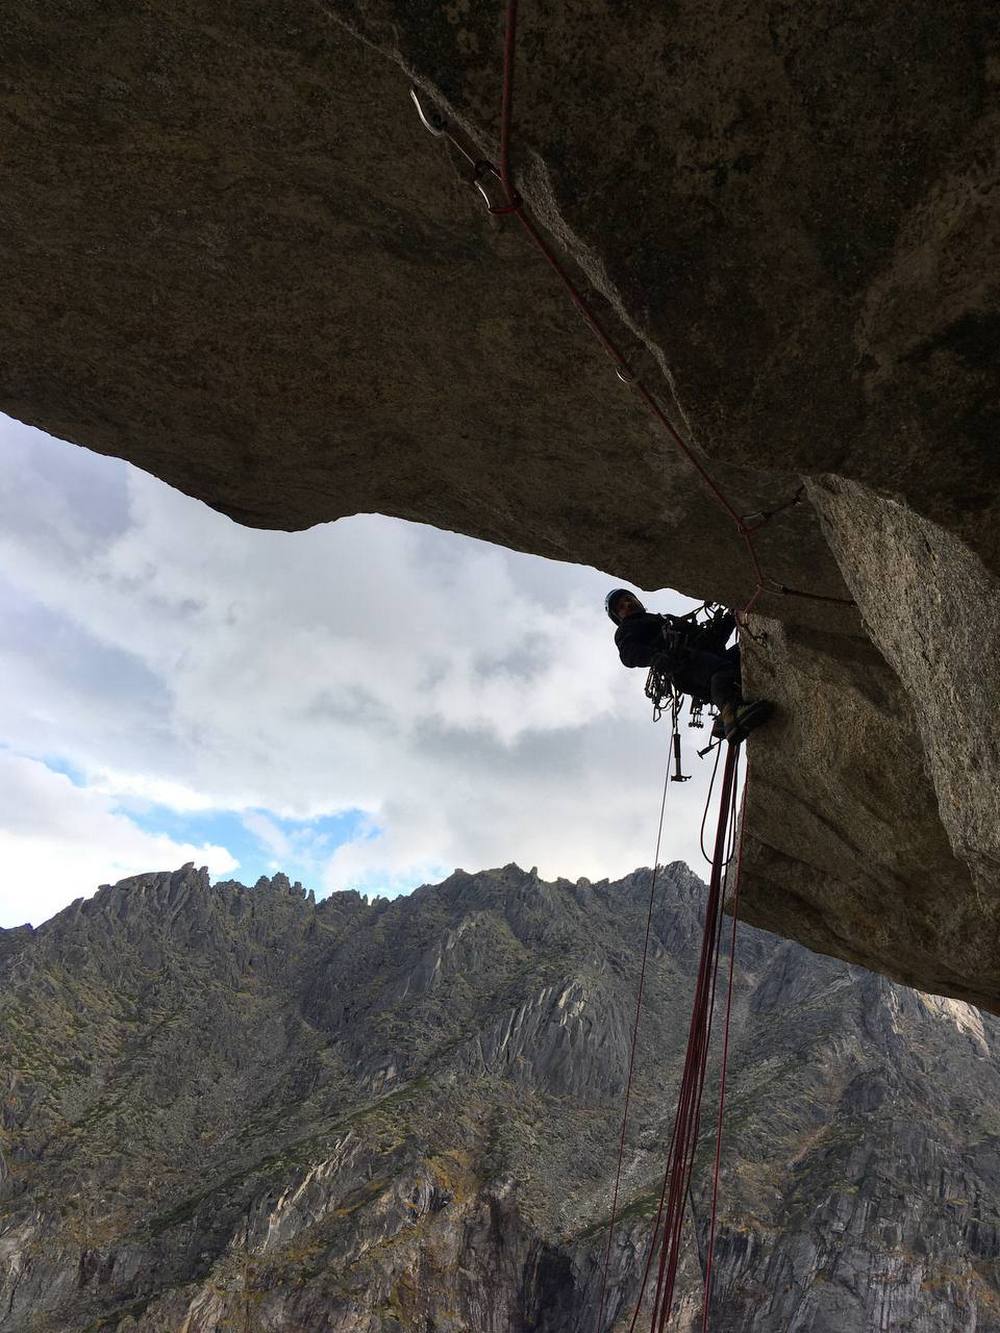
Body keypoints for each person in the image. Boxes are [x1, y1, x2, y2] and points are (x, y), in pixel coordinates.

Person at [605, 588, 773, 744]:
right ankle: (731, 717)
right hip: (682, 666)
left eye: (628, 599)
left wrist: (730, 619)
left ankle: (724, 719)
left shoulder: (666, 619)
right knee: (722, 670)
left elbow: (708, 638)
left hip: (701, 657)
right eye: (621, 607)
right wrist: (655, 657)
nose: (627, 604)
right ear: (618, 617)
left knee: (745, 650)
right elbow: (629, 654)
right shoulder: (626, 630)